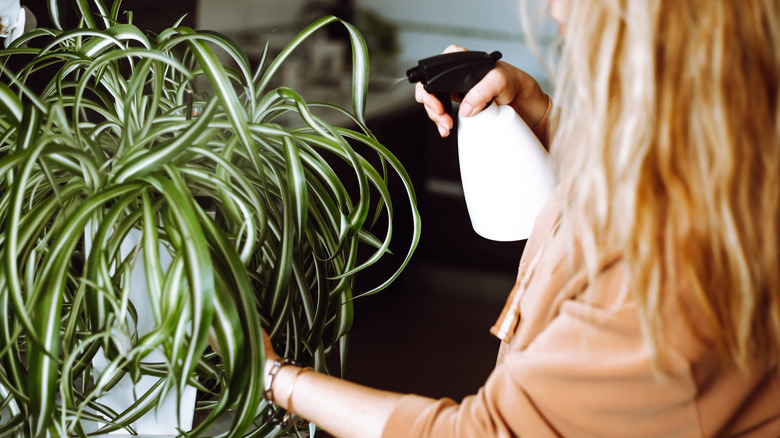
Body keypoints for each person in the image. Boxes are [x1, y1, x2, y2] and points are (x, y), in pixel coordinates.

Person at [259, 0, 780, 436]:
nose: (557, 10)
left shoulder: (671, 275)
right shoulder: (730, 153)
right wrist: (539, 112)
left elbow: (479, 434)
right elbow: (628, 188)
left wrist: (271, 373)